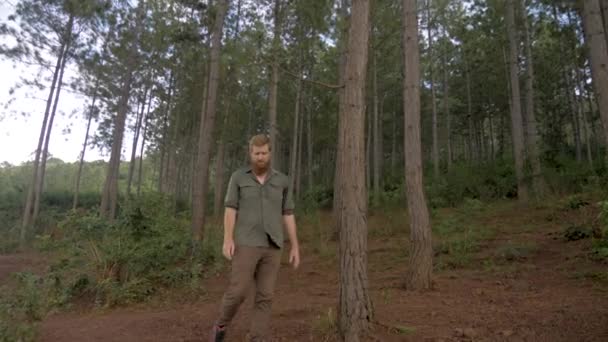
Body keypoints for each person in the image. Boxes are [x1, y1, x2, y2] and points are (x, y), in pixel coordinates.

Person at [210, 134, 301, 342]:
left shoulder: (282, 180)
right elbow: (230, 209)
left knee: (265, 296)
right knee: (238, 292)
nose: (261, 157)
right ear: (251, 153)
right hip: (246, 243)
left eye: (264, 153)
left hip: (273, 245)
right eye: (257, 153)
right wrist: (227, 239)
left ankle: (257, 337)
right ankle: (221, 325)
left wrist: (295, 245)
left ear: (270, 153)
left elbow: (288, 213)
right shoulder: (238, 178)